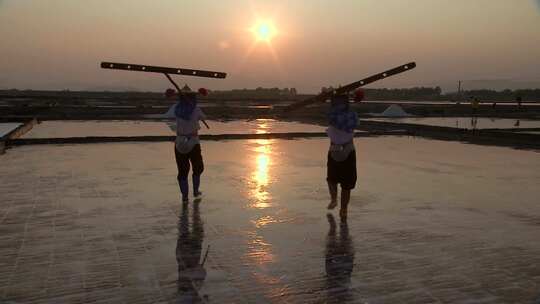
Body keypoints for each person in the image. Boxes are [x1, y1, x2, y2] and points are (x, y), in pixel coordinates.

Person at [166, 87, 210, 202]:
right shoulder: (195, 108)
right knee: (197, 167)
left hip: (180, 141)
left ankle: (186, 196)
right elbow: (204, 117)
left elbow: (168, 117)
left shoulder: (176, 108)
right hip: (193, 141)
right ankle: (194, 191)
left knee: (183, 170)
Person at [326, 93, 358, 219]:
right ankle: (343, 208)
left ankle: (336, 202)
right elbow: (354, 124)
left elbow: (332, 118)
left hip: (337, 149)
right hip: (348, 148)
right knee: (346, 183)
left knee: (333, 180)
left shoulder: (332, 115)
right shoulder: (352, 115)